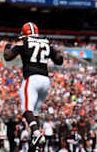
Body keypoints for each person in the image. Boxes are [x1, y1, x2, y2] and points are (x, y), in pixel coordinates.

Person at [4, 22, 64, 152]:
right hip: (45, 80)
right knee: (35, 113)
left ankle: (36, 134)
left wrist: (7, 46)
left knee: (26, 109)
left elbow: (8, 57)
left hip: (32, 78)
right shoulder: (46, 42)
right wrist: (54, 51)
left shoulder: (24, 42)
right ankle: (35, 144)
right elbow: (59, 60)